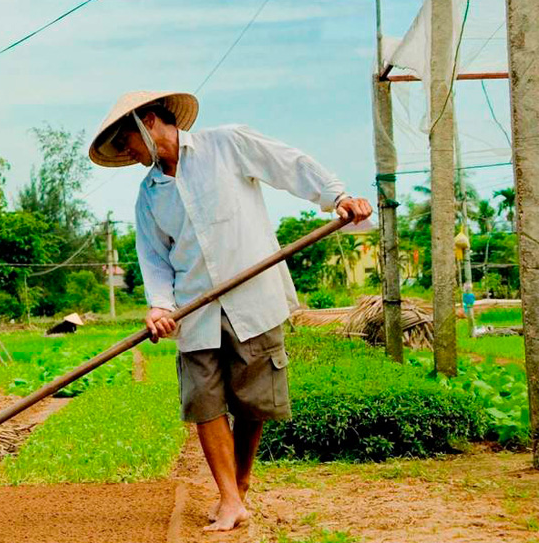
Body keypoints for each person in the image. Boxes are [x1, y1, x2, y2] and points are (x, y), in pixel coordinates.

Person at [88, 91, 372, 532]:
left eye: (126, 139)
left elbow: (289, 164)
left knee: (252, 400)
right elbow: (155, 259)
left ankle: (238, 488)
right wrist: (159, 307)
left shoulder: (227, 144)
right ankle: (228, 496)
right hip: (193, 305)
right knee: (204, 399)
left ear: (148, 121)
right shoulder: (148, 196)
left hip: (252, 295)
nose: (126, 151)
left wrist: (337, 196)